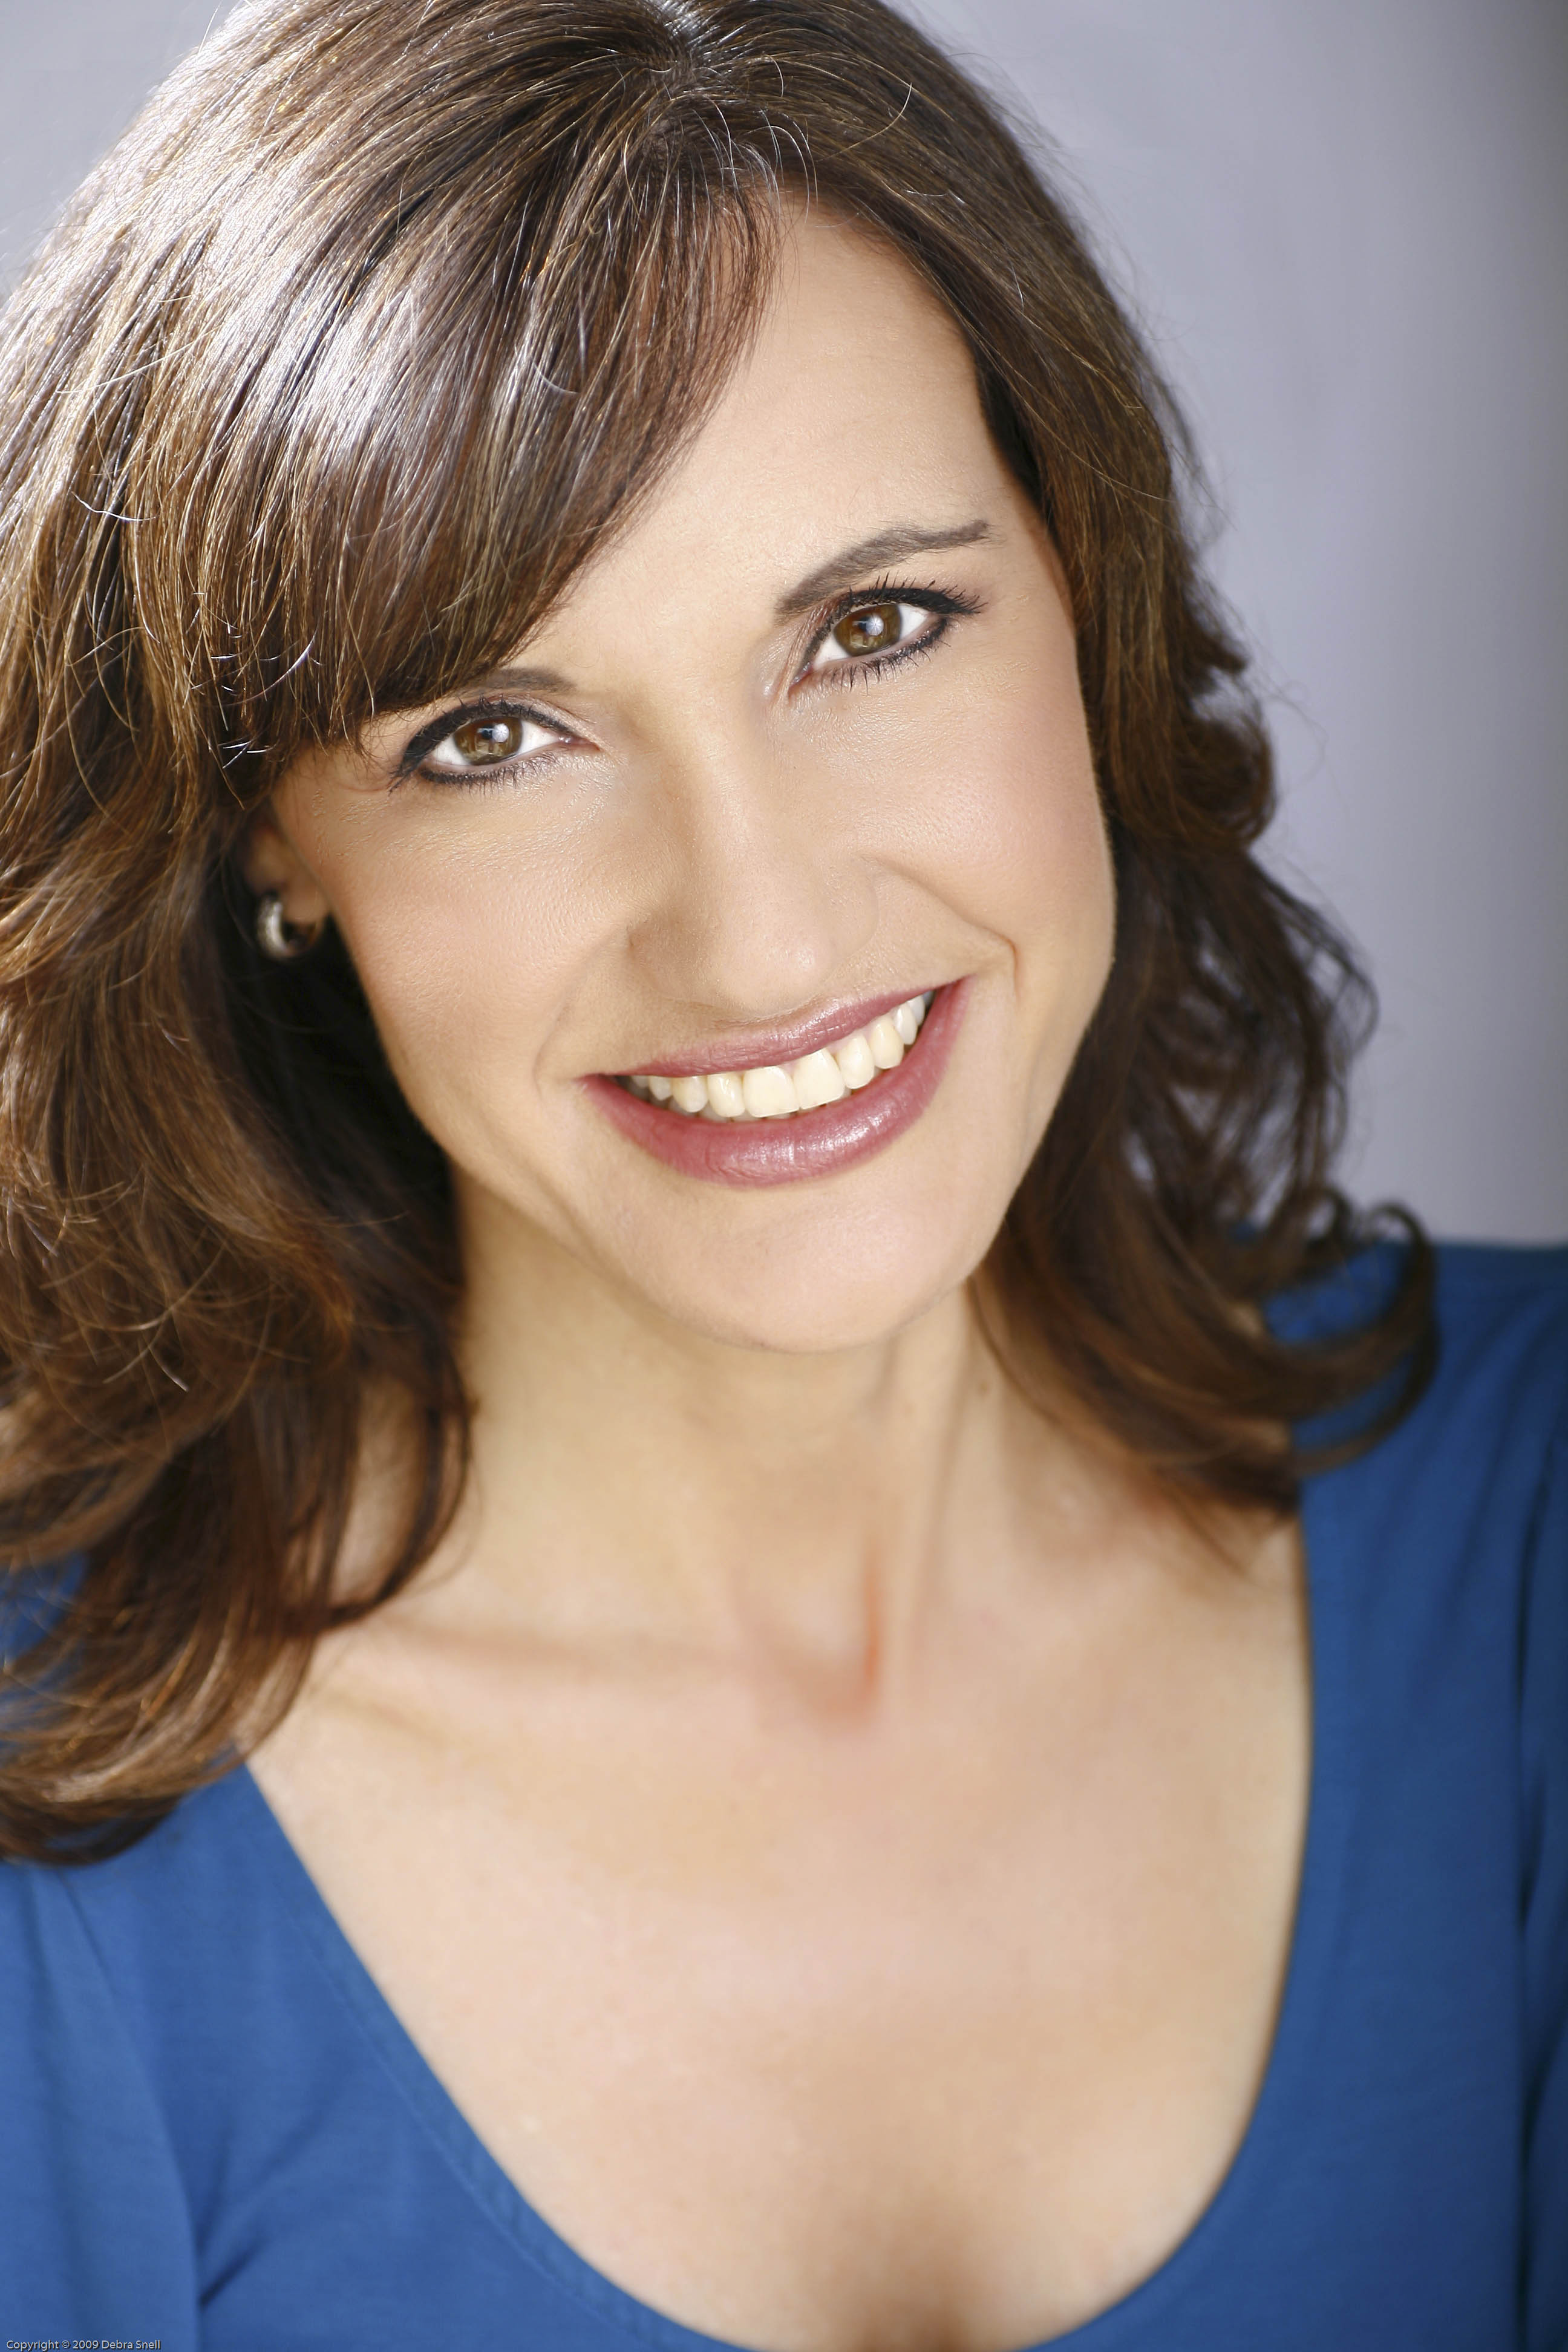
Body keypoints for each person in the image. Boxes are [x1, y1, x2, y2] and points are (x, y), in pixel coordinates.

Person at [0, 0, 1561, 2344]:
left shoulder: (1535, 1530)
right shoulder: (46, 1843)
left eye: (873, 628)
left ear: (1088, 602)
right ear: (264, 845)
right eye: (493, 733)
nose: (762, 939)